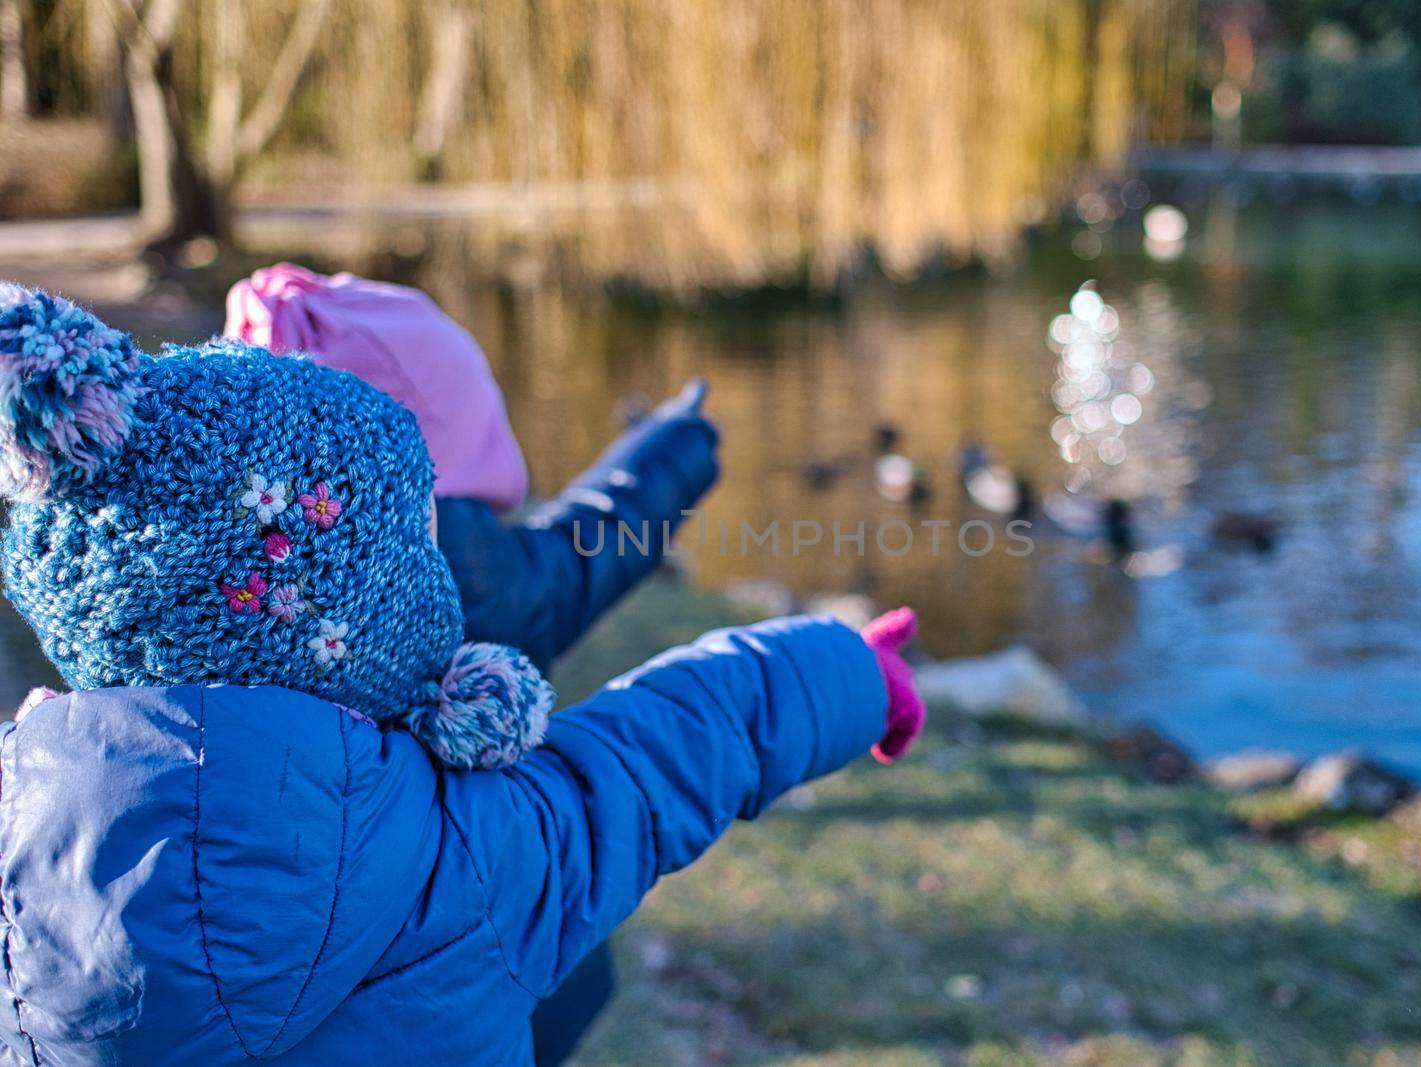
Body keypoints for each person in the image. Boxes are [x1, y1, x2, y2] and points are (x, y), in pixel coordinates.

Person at [0, 287, 926, 1065]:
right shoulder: (467, 853)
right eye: (415, 547)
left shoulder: (23, 871)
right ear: (353, 621)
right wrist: (854, 667)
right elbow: (671, 746)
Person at [225, 264, 720, 1059]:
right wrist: (676, 446)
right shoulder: (469, 562)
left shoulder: (233, 572)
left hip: (271, 971)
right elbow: (585, 548)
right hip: (489, 951)